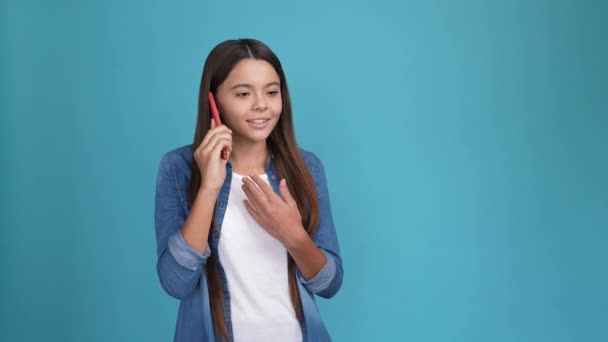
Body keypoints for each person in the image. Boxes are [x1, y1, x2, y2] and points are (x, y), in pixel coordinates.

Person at [154, 38, 343, 342]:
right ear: (214, 101)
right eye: (243, 93)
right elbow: (176, 283)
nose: (261, 105)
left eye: (272, 91)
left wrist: (292, 234)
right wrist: (209, 187)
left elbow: (329, 284)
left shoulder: (306, 167)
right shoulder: (179, 168)